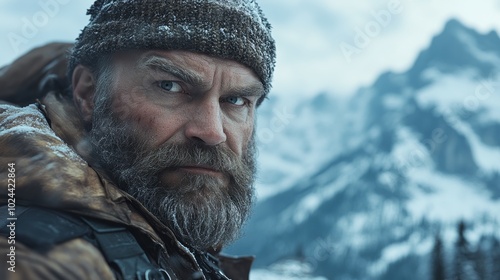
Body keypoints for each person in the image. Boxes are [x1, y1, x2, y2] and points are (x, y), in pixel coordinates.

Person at [0, 0, 275, 279]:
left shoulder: (161, 235)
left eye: (236, 100)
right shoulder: (35, 258)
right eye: (170, 86)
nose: (212, 132)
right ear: (88, 93)